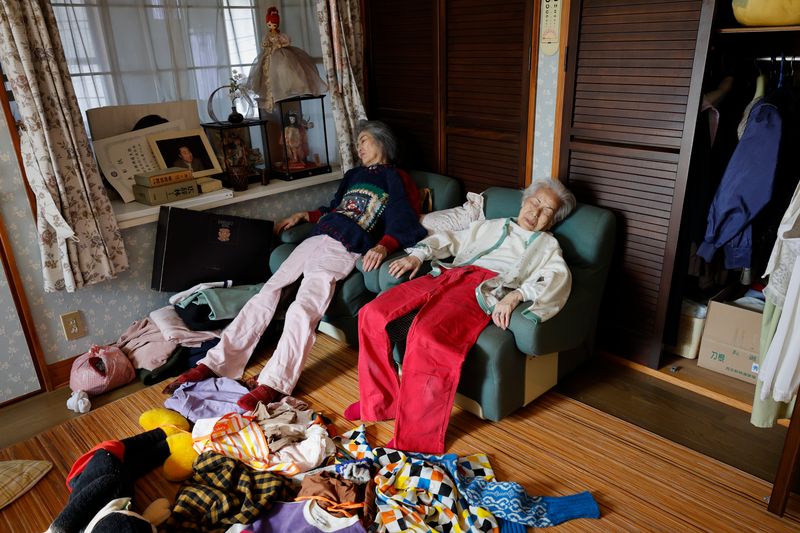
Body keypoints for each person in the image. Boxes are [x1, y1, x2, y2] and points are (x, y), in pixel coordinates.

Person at [163, 120, 427, 410]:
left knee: (303, 308)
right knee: (266, 293)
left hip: (346, 247)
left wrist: (383, 245)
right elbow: (334, 208)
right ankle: (214, 364)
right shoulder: (353, 175)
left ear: (382, 142)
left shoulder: (396, 178)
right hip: (317, 239)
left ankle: (275, 383)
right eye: (357, 142)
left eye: (364, 140)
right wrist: (306, 214)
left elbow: (406, 218)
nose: (358, 147)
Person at [343, 179, 577, 454]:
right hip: (448, 274)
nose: (536, 212)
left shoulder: (547, 246)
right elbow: (453, 240)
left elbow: (557, 278)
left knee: (429, 337)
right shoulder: (493, 224)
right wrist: (419, 254)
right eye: (535, 202)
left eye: (547, 211)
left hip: (482, 288)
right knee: (372, 313)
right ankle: (379, 402)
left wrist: (517, 295)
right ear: (525, 200)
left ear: (552, 221)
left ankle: (417, 438)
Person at [246, 6, 328, 111]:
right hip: (269, 55)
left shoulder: (280, 35)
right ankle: (275, 92)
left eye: (273, 24)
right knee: (269, 73)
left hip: (280, 53)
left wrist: (280, 46)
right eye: (270, 24)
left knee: (284, 69)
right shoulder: (268, 36)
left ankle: (286, 88)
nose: (271, 26)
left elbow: (286, 42)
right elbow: (264, 44)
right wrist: (268, 46)